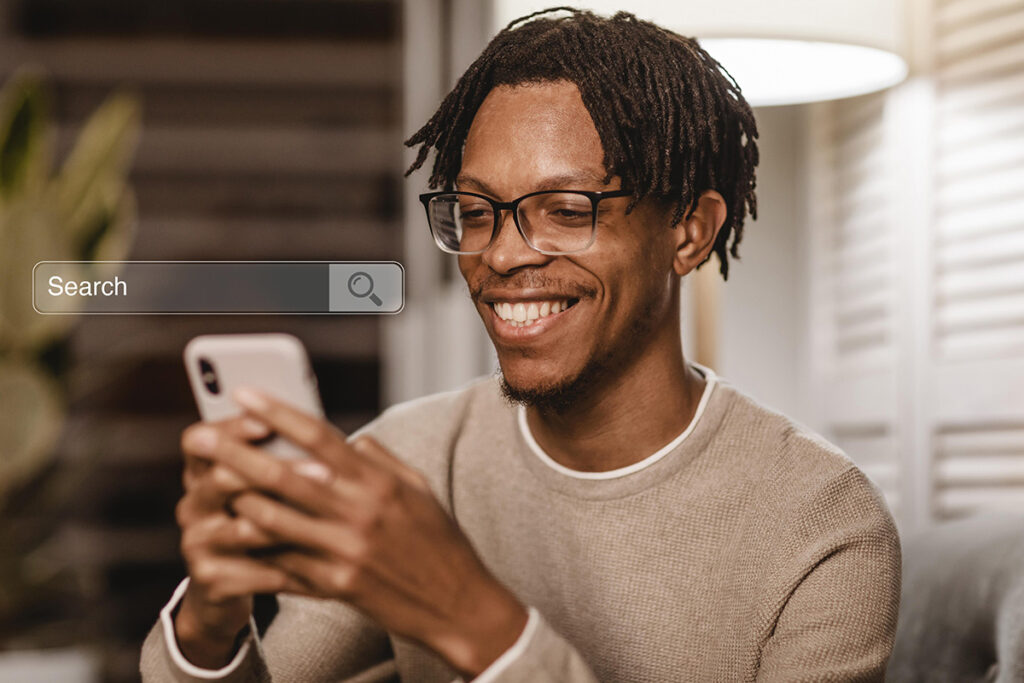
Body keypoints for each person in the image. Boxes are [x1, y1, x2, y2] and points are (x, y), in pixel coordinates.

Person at [141, 8, 901, 682]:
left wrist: (473, 619)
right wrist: (209, 626)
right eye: (475, 211)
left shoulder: (824, 527)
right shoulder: (411, 460)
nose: (500, 256)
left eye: (567, 209)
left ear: (689, 230)